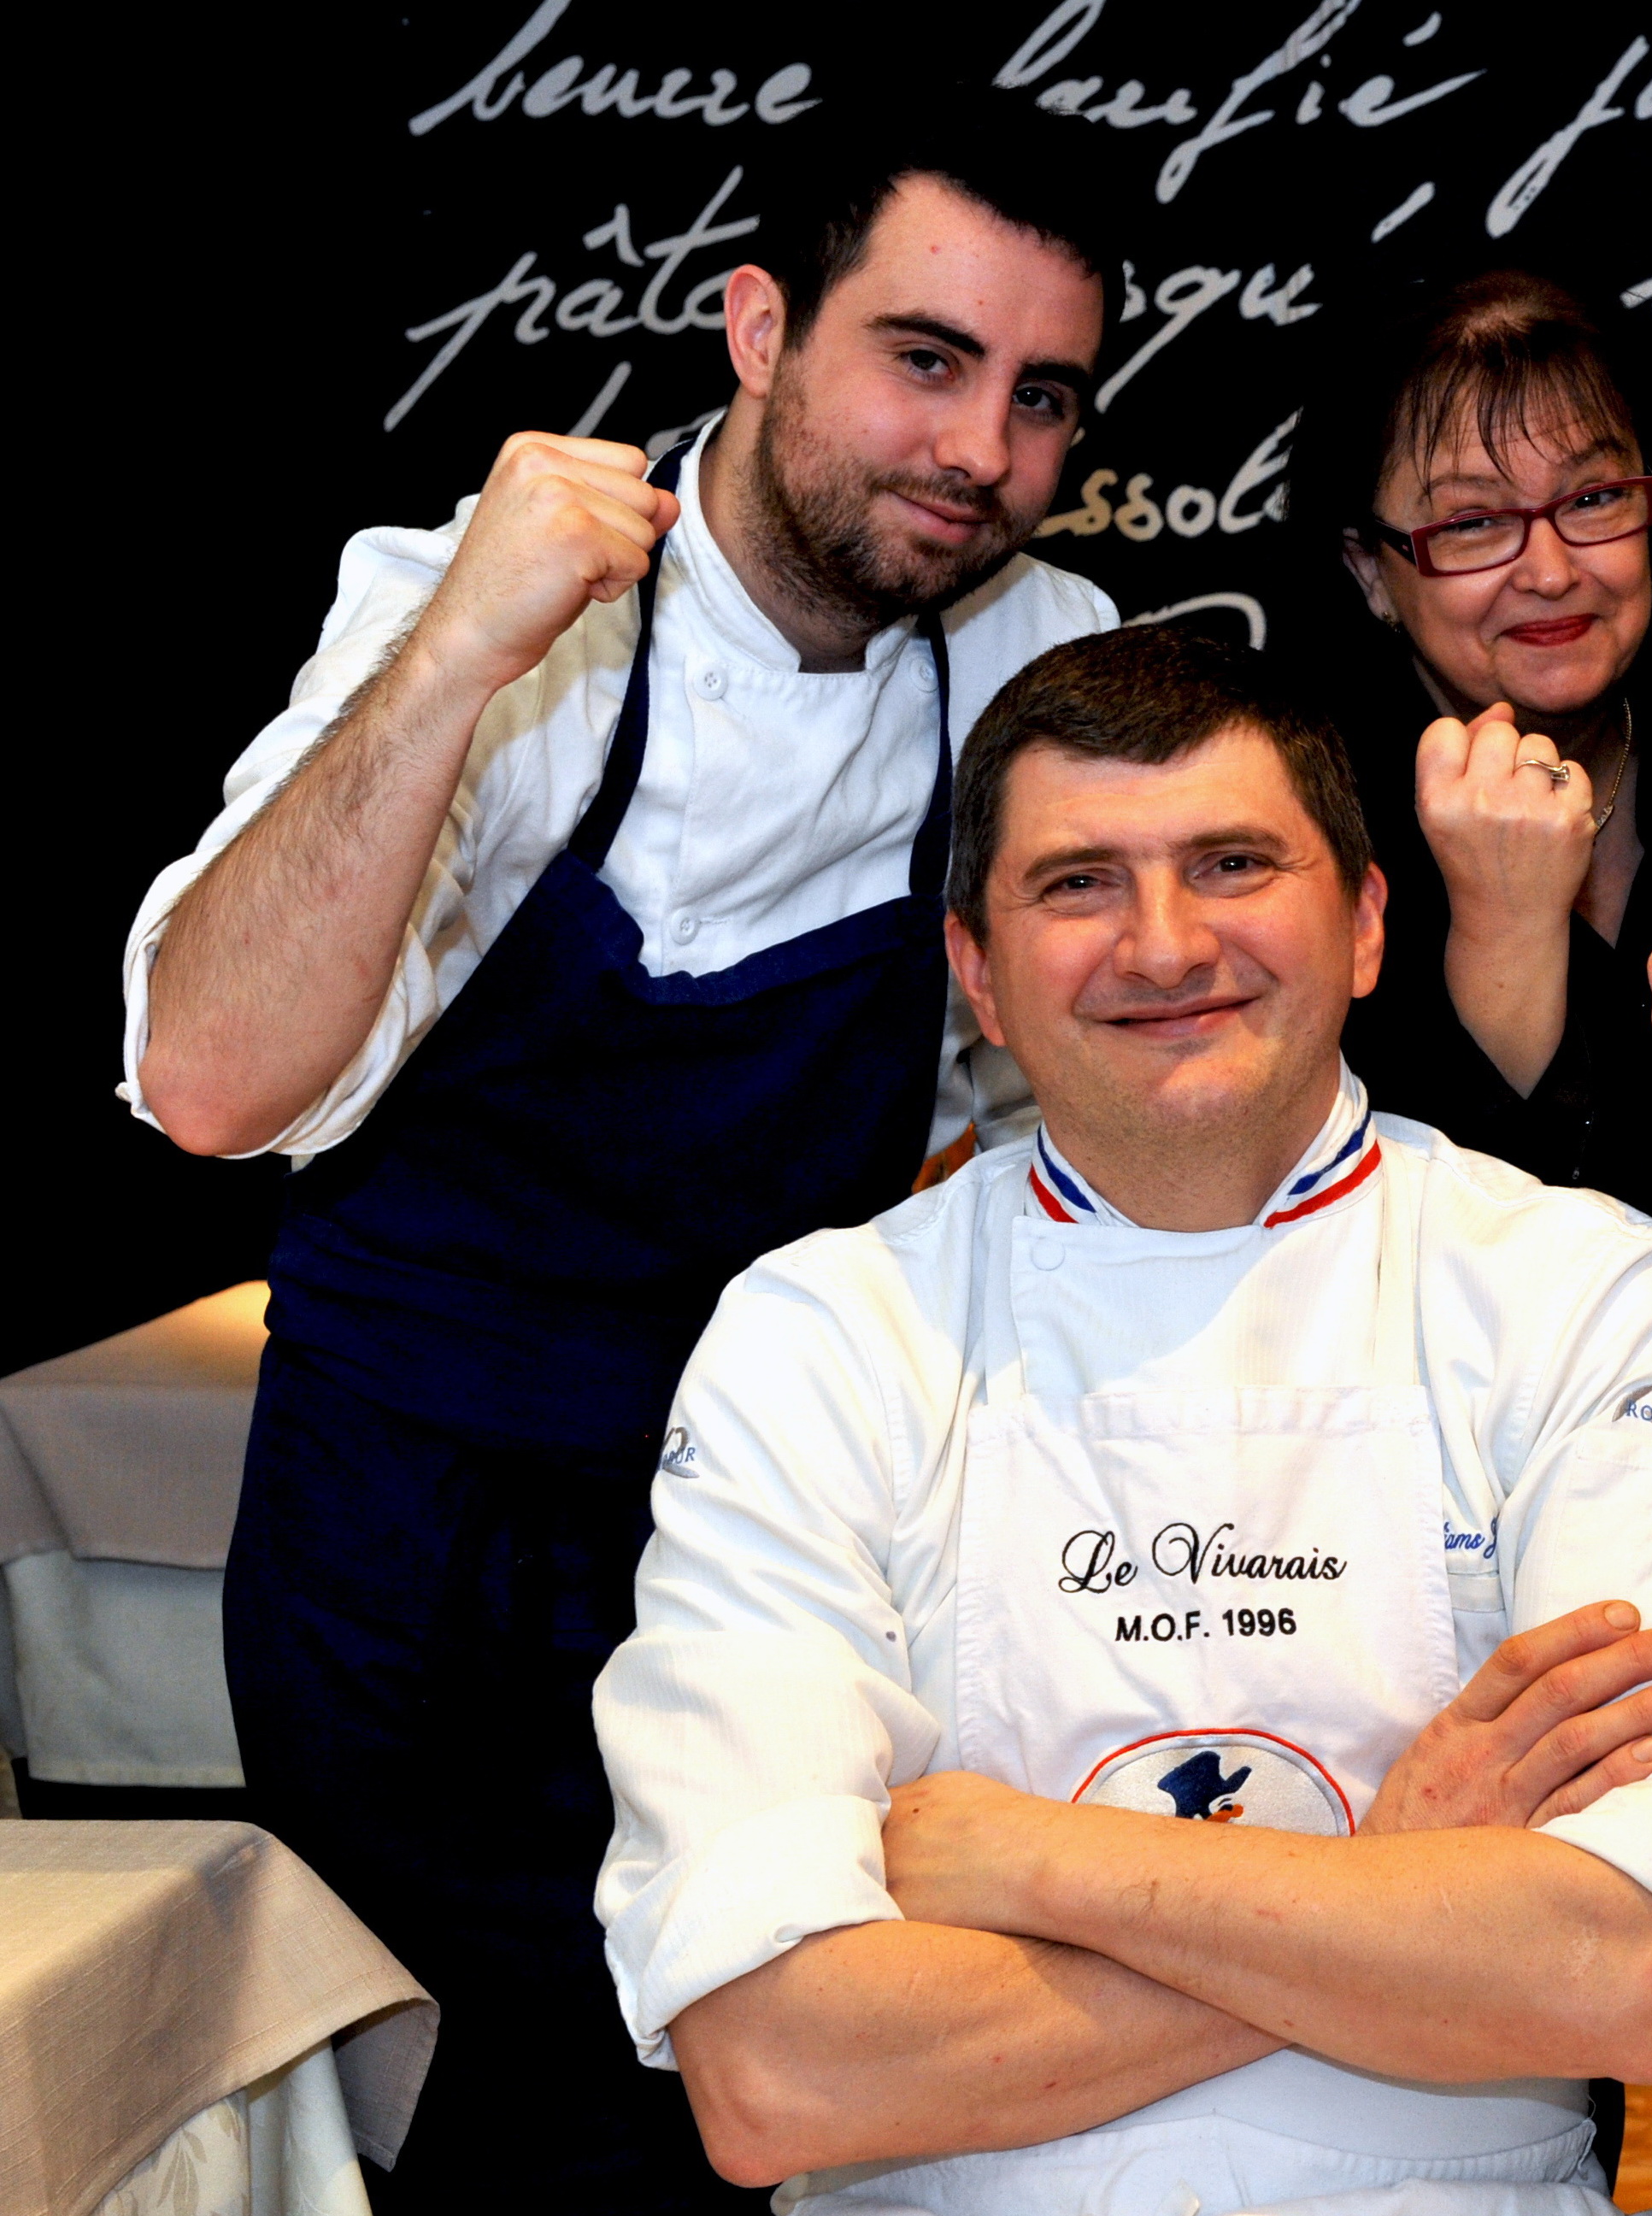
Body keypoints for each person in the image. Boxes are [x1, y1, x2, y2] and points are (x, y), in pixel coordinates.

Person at [121, 137, 1121, 2205]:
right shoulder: (477, 609)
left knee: (750, 2112)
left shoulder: (1035, 649)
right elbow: (207, 1078)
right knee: (478, 2132)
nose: (979, 449)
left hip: (755, 1544)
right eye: (923, 360)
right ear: (755, 327)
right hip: (406, 1554)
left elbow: (1052, 1113)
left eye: (1040, 397)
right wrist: (461, 655)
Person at [591, 624, 1652, 2213]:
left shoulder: (1568, 1286)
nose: (1165, 944)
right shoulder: (821, 1335)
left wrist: (1033, 1863)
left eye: (1233, 862)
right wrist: (1394, 1887)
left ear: (1370, 921)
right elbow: (780, 2072)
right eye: (1078, 883)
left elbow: (1619, 1972)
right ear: (977, 967)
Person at [1315, 272, 1652, 1397]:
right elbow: (1408, 1283)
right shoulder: (1293, 843)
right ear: (1369, 569)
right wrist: (1502, 930)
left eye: (1591, 500)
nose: (1549, 569)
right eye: (1470, 523)